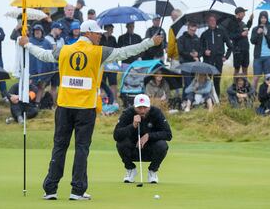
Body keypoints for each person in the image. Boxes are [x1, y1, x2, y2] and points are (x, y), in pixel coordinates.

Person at [18, 19, 164, 200]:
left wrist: (27, 44)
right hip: (85, 108)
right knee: (81, 148)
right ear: (87, 33)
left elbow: (44, 55)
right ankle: (77, 190)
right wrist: (150, 42)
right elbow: (126, 52)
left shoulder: (65, 49)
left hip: (63, 107)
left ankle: (50, 189)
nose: (100, 35)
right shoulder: (99, 52)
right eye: (97, 33)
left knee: (59, 147)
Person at [113, 94, 172, 183]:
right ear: (134, 107)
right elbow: (116, 135)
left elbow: (168, 134)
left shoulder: (156, 112)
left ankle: (152, 171)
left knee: (162, 145)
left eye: (145, 107)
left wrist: (149, 136)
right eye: (139, 108)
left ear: (149, 106)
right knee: (121, 143)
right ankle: (130, 169)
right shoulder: (127, 113)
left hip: (150, 150)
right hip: (133, 149)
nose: (142, 111)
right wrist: (133, 126)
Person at [200, 13, 232, 98]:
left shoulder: (222, 32)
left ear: (216, 21)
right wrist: (204, 52)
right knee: (208, 80)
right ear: (207, 22)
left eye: (214, 20)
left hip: (218, 60)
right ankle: (207, 98)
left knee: (217, 80)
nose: (212, 22)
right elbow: (199, 48)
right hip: (208, 60)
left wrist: (226, 56)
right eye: (210, 20)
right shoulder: (204, 34)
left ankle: (217, 99)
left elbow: (230, 46)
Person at [250, 11, 270, 90]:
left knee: (268, 77)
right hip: (258, 56)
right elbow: (252, 41)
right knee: (256, 77)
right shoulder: (255, 29)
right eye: (261, 18)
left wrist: (266, 34)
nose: (263, 19)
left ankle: (268, 94)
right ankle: (252, 95)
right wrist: (258, 33)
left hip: (268, 56)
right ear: (259, 18)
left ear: (267, 18)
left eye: (265, 18)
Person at [29, 24, 54, 105]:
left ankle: (37, 103)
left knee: (41, 87)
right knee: (31, 87)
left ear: (42, 32)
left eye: (39, 31)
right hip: (31, 70)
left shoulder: (47, 43)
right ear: (33, 32)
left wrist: (52, 69)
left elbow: (51, 55)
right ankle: (29, 102)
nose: (37, 32)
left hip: (44, 70)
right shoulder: (29, 42)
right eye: (36, 31)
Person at [225, 7, 253, 76]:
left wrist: (250, 20)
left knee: (245, 67)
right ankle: (235, 85)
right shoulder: (232, 23)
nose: (244, 14)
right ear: (239, 14)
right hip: (237, 49)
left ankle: (245, 86)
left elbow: (246, 28)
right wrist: (241, 34)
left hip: (245, 48)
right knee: (237, 69)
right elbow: (230, 36)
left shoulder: (242, 23)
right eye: (243, 13)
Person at [178, 21, 201, 99]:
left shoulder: (197, 38)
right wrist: (190, 55)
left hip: (195, 64)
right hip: (185, 64)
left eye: (194, 30)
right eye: (191, 30)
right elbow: (180, 51)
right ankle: (188, 101)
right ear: (188, 28)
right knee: (188, 83)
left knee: (194, 83)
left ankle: (185, 100)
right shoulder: (181, 38)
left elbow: (201, 50)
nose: (193, 32)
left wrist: (198, 54)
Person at [45, 22, 65, 104]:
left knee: (54, 86)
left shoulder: (61, 39)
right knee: (43, 86)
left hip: (57, 66)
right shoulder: (46, 38)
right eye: (59, 29)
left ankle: (53, 104)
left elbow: (63, 51)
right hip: (48, 66)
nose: (60, 31)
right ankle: (43, 104)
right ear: (54, 29)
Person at [100, 24, 118, 103]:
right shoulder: (100, 38)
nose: (112, 31)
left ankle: (113, 101)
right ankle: (102, 102)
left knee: (113, 83)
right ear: (106, 29)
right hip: (102, 64)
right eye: (111, 29)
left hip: (112, 65)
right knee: (102, 84)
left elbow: (116, 50)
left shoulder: (113, 38)